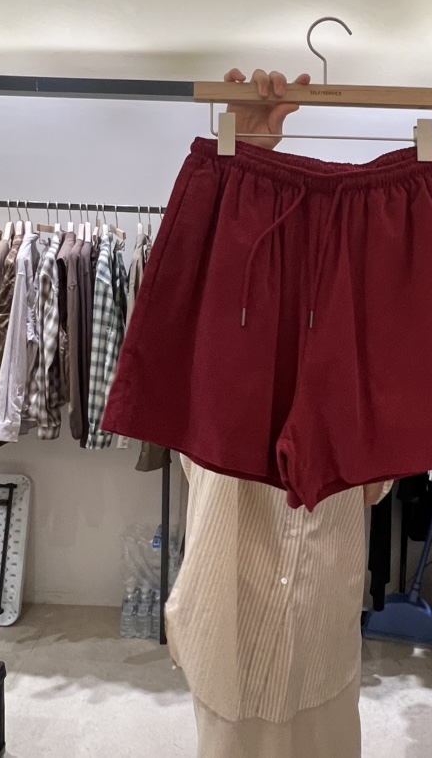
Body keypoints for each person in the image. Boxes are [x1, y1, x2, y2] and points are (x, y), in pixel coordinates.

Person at [164, 69, 392, 758]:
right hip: (228, 605)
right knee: (231, 738)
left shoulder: (364, 333)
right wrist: (242, 154)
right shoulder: (220, 319)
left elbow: (376, 483)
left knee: (323, 735)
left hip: (321, 616)